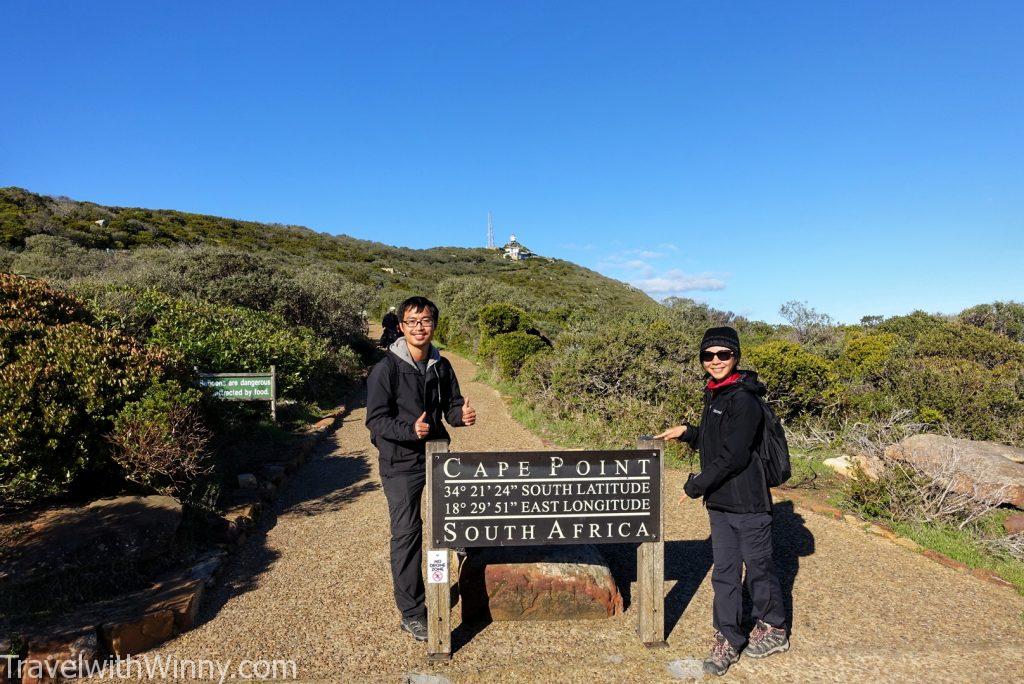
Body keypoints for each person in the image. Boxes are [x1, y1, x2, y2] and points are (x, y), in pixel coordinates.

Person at [656, 326, 788, 676]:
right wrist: (689, 433)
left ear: (736, 356)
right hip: (721, 503)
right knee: (726, 573)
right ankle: (728, 637)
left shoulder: (744, 399)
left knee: (758, 568)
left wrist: (695, 485)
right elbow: (716, 442)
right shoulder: (715, 393)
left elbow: (734, 455)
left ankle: (774, 627)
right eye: (708, 355)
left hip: (749, 502)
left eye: (723, 354)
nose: (715, 361)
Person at [365, 296, 477, 642]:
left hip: (436, 455)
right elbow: (376, 421)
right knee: (408, 534)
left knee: (451, 524)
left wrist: (462, 417)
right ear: (401, 326)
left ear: (434, 325)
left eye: (425, 321)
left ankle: (461, 570)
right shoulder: (386, 369)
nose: (419, 327)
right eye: (412, 321)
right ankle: (413, 612)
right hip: (400, 462)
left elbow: (451, 406)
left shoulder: (441, 365)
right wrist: (409, 431)